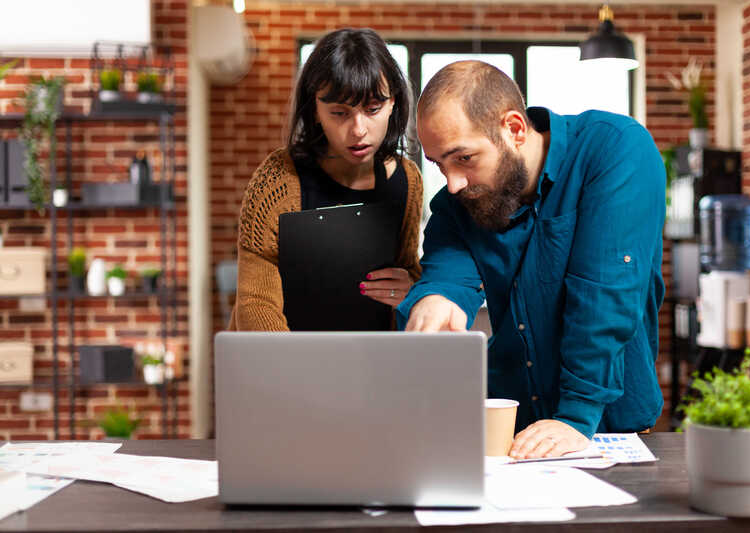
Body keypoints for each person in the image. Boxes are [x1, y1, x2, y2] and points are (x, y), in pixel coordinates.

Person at [400, 61, 665, 459]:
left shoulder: (614, 149)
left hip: (606, 426)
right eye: (439, 164)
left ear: (515, 129)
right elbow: (447, 269)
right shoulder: (459, 202)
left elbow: (605, 295)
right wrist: (436, 298)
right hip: (512, 433)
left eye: (464, 159)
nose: (452, 182)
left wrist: (575, 416)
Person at [229, 28, 423, 331]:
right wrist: (300, 369)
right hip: (286, 365)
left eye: (372, 109)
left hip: (374, 361)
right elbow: (255, 303)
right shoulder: (279, 179)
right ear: (315, 110)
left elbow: (408, 267)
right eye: (339, 113)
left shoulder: (407, 179)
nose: (358, 129)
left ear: (393, 103)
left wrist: (412, 287)